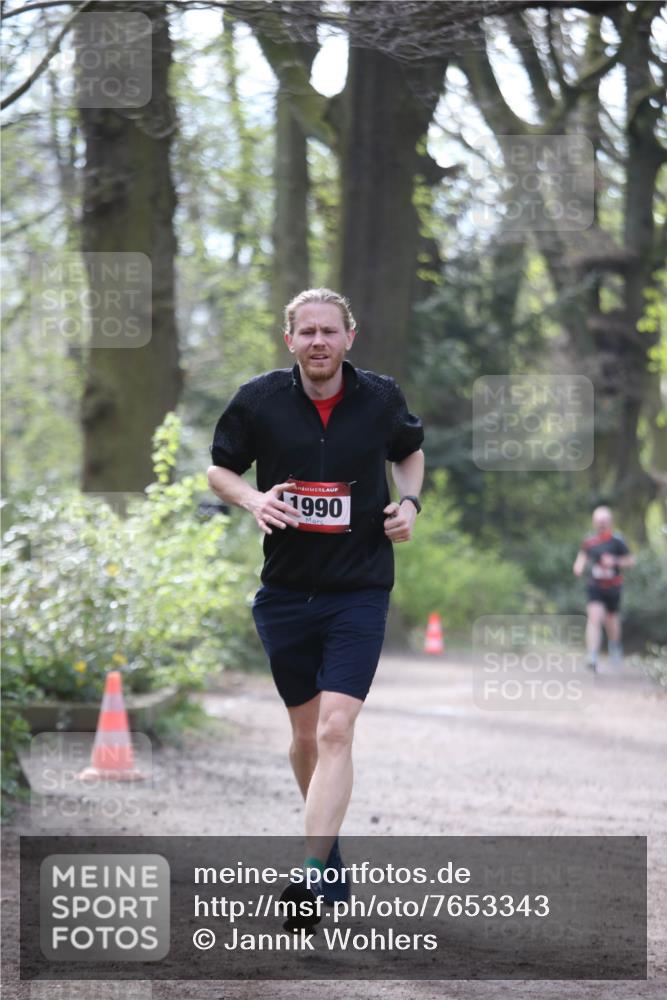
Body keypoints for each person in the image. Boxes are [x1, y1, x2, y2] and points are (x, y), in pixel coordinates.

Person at [207, 288, 424, 923]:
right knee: (305, 736)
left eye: (330, 331)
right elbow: (219, 470)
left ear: (349, 338)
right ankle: (328, 860)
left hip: (359, 590)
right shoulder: (259, 400)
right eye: (308, 332)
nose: (319, 342)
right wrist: (252, 500)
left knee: (335, 729)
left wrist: (407, 505)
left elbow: (408, 452)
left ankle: (307, 872)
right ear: (291, 341)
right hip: (284, 595)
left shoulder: (380, 398)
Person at [573, 506, 635, 672]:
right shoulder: (590, 541)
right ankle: (592, 655)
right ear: (594, 522)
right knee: (594, 618)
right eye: (598, 521)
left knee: (611, 622)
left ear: (610, 522)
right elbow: (583, 555)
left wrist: (614, 561)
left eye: (604, 521)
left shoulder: (617, 540)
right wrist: (578, 566)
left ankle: (614, 647)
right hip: (595, 586)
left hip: (613, 587)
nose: (601, 524)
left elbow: (630, 561)